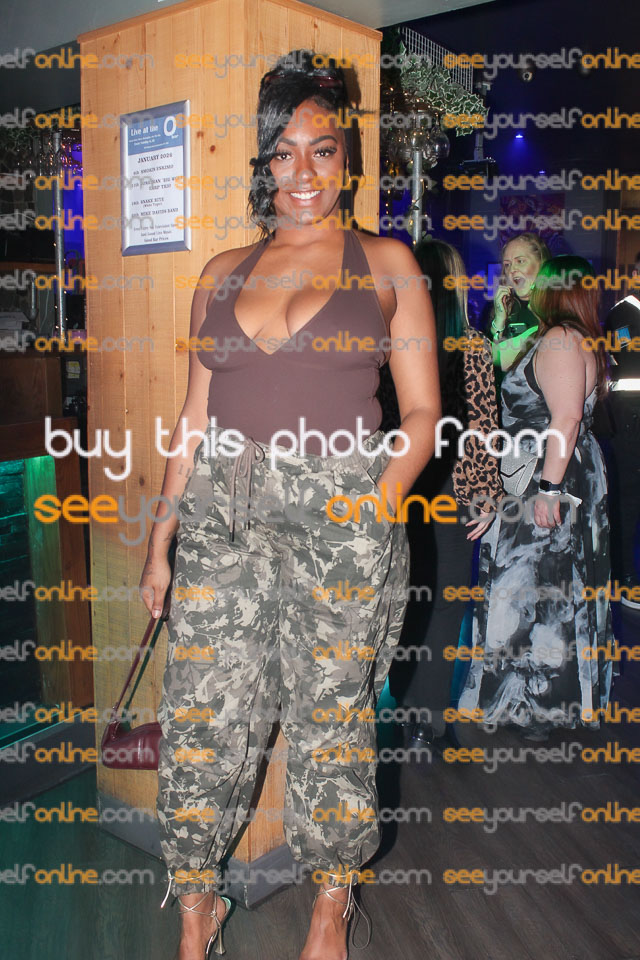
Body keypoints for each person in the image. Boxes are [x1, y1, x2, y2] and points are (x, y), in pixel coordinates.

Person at [139, 50, 441, 960]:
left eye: (322, 150)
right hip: (223, 519)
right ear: (264, 162)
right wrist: (160, 544)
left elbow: (422, 416)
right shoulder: (221, 271)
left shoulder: (388, 264)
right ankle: (197, 907)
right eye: (283, 152)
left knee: (330, 719)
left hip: (340, 515)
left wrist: (376, 502)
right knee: (201, 717)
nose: (302, 172)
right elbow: (192, 420)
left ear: (348, 159)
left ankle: (330, 906)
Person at [459, 255, 615, 741]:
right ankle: (542, 703)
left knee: (535, 589)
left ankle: (534, 705)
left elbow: (565, 417)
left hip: (547, 475)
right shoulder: (577, 337)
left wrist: (548, 490)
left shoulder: (562, 338)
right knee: (554, 587)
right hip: (561, 471)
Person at [389, 239, 504, 750]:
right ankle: (428, 722)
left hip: (400, 481)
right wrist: (487, 492)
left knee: (404, 599)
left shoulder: (392, 335)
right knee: (445, 604)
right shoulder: (470, 344)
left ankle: (399, 703)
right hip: (449, 489)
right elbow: (481, 426)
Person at [602, 250, 640, 606]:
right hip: (629, 416)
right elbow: (628, 356)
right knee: (627, 498)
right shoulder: (622, 314)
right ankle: (624, 575)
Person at [489, 232, 551, 381]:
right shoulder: (505, 307)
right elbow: (490, 364)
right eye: (507, 265)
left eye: (520, 261)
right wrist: (499, 322)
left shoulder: (556, 309)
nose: (512, 270)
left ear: (541, 264)